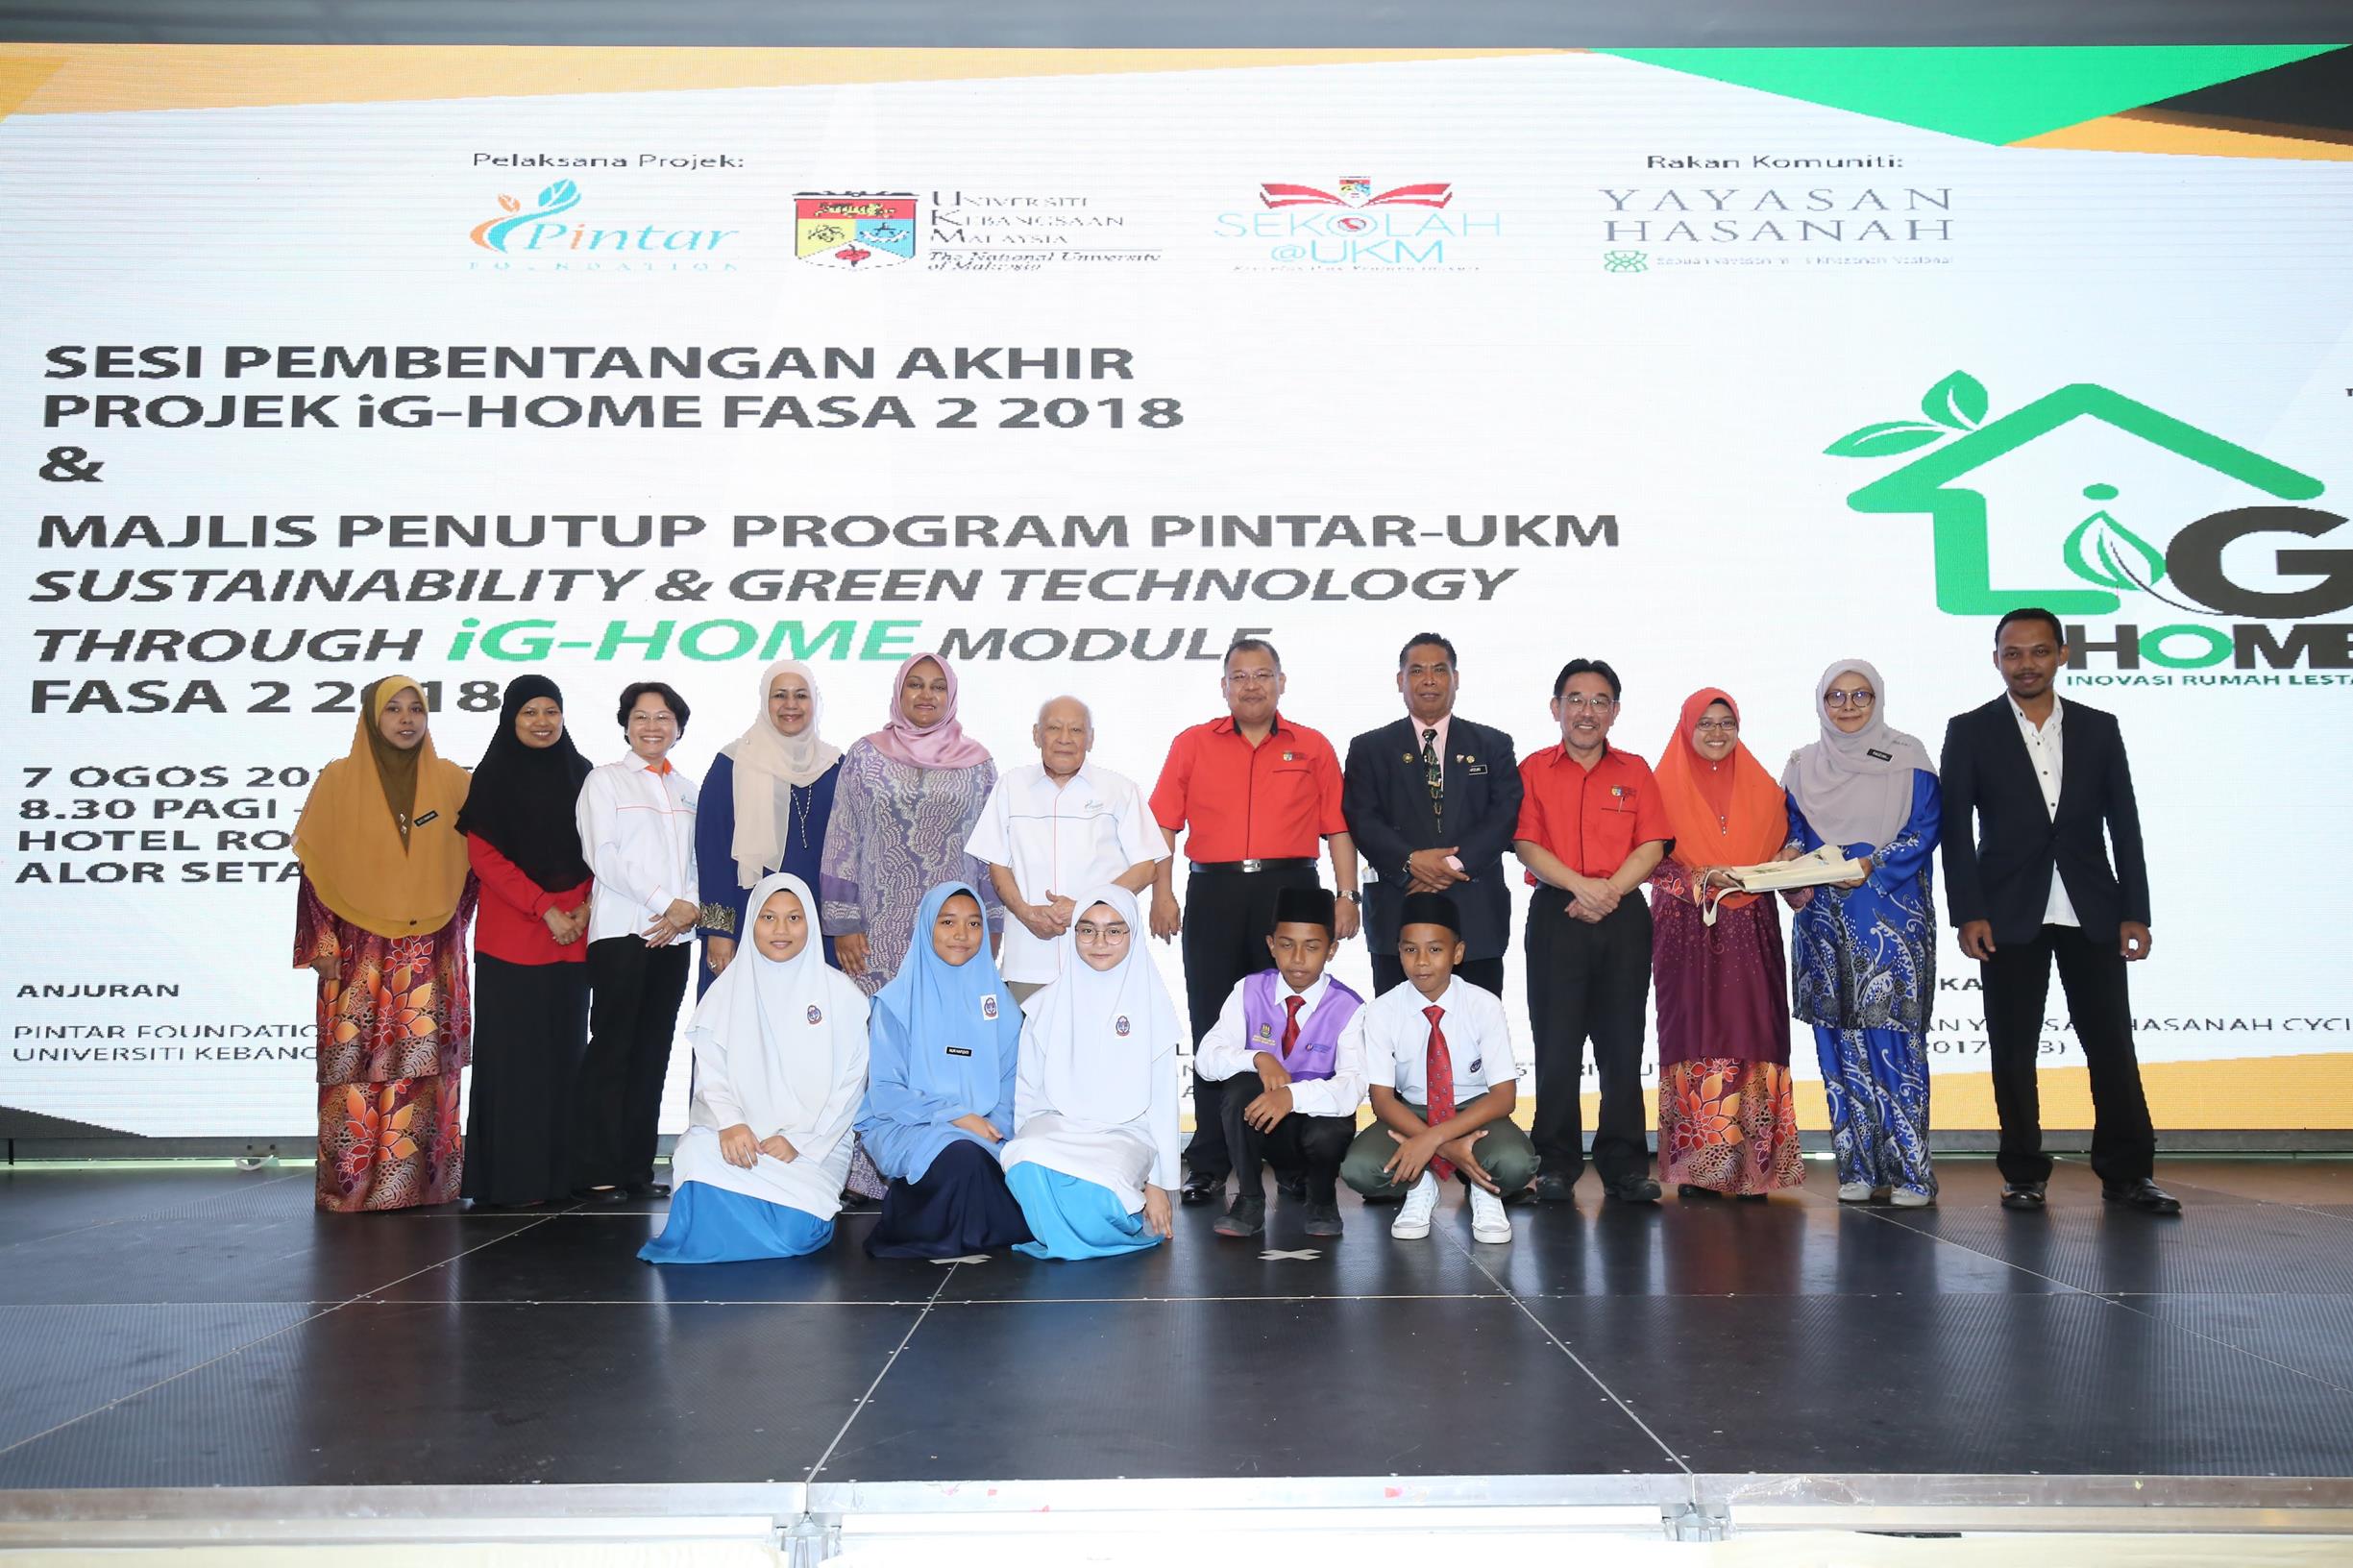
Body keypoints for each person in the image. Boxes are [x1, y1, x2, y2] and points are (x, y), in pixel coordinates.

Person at [1941, 609, 2179, 1214]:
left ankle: (2128, 1175)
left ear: (2062, 655)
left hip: (2092, 909)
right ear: (1996, 659)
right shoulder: (1969, 730)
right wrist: (1968, 911)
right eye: (2013, 653)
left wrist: (2136, 910)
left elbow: (2125, 824)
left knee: (2112, 1045)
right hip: (2006, 912)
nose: (2026, 664)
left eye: (2039, 651)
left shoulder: (2100, 727)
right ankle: (2023, 1172)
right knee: (2013, 1050)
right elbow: (1955, 832)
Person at [1149, 637, 1361, 1207]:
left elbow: (1338, 827)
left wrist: (1347, 895)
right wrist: (1162, 892)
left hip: (1290, 890)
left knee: (1295, 1021)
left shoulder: (1312, 746)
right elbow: (1163, 826)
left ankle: (1290, 1158)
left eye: (1262, 675)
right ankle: (1209, 1161)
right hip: (1214, 891)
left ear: (1281, 682)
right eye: (1239, 676)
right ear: (1224, 686)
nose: (1251, 685)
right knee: (1213, 1023)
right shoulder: (1192, 744)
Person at [292, 674, 476, 1213]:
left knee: (424, 1070)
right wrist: (321, 943)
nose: (406, 719)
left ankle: (423, 1186)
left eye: (415, 708)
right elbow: (315, 869)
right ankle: (351, 1188)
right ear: (372, 718)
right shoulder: (338, 780)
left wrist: (451, 924)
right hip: (358, 952)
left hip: (430, 952)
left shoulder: (453, 782)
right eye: (392, 709)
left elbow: (472, 869)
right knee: (354, 1068)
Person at [640, 873, 871, 1263]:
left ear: (810, 923)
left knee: (796, 1233)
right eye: (768, 918)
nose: (781, 930)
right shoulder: (725, 991)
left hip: (813, 1145)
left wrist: (801, 1142)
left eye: (794, 918)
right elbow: (710, 1075)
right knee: (695, 1150)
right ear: (752, 923)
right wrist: (731, 1123)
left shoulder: (842, 996)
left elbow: (851, 1087)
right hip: (742, 1140)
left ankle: (736, 1222)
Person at [1782, 659, 1943, 1207]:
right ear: (1821, 702)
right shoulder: (1802, 765)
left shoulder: (1907, 756)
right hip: (1823, 921)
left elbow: (1924, 829)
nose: (1848, 706)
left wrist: (1876, 863)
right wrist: (1790, 859)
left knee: (1894, 1040)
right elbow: (1794, 831)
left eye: (1860, 695)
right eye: (1836, 696)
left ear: (1877, 700)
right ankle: (1857, 1168)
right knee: (1836, 1043)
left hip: (1889, 918)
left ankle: (1911, 1174)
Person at [1511, 658, 1673, 1204]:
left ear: (1615, 711)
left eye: (1599, 701)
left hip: (1622, 914)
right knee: (1556, 1046)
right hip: (1556, 911)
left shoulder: (1636, 770)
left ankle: (1624, 1165)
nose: (1587, 711)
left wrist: (1608, 893)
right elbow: (1525, 843)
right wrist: (1580, 887)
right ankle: (1556, 1162)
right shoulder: (1533, 769)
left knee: (1622, 1045)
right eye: (1575, 700)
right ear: (1555, 708)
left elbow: (1652, 844)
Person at [1648, 688, 1803, 1201]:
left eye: (1726, 723)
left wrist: (1787, 865)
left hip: (1751, 927)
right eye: (1705, 723)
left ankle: (1753, 1169)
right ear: (1686, 728)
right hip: (1687, 927)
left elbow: (1787, 850)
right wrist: (1701, 879)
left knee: (1754, 1031)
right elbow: (1646, 858)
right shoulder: (1658, 788)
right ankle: (1700, 1169)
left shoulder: (1765, 790)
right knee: (1693, 1032)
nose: (1717, 733)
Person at [455, 675, 594, 1210]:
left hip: (573, 938)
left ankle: (562, 1177)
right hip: (512, 941)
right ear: (510, 719)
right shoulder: (492, 778)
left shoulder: (584, 774)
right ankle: (510, 1181)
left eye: (550, 711)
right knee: (513, 1063)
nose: (542, 721)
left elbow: (602, 849)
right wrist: (545, 908)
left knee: (565, 1059)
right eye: (530, 712)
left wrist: (582, 908)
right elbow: (485, 858)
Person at [1339, 892, 1534, 1243]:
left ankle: (1484, 1190)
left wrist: (1433, 1140)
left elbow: (1504, 1097)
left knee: (1515, 1163)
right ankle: (1420, 1185)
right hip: (1412, 1111)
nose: (1422, 961)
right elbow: (1382, 1100)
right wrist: (1443, 1146)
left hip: (1474, 1113)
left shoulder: (1483, 1005)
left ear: (1457, 953)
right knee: (1360, 1169)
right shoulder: (1382, 1010)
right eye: (1410, 950)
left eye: (1435, 949)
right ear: (1398, 952)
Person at [1000, 887, 1183, 1260]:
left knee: (1099, 1194)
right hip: (1057, 1124)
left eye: (1114, 931)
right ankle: (1072, 1234)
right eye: (1087, 930)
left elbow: (1164, 1105)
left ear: (1132, 934)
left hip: (1126, 1132)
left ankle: (1078, 1232)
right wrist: (1026, 1136)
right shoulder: (1045, 1006)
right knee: (1025, 1158)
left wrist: (1159, 1185)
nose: (1099, 942)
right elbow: (1027, 1092)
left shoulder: (1154, 1009)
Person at [857, 882, 1034, 1257]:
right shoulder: (895, 1003)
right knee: (962, 1159)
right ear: (927, 927)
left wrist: (994, 1125)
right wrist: (956, 1117)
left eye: (974, 924)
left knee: (1012, 1165)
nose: (961, 935)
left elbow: (1012, 1083)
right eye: (948, 922)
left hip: (987, 1129)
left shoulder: (1001, 1005)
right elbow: (886, 1092)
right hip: (909, 1125)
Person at [1342, 633, 1524, 998]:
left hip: (1475, 917)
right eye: (1417, 671)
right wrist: (1410, 862)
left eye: (1439, 670)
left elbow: (1504, 814)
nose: (1429, 680)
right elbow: (1362, 818)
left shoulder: (1493, 745)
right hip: (1398, 911)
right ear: (1400, 680)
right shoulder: (1369, 748)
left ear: (1455, 679)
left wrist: (1450, 866)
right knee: (1397, 1028)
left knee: (1476, 1027)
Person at [573, 681, 699, 1201]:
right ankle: (596, 1169)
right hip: (623, 933)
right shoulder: (604, 781)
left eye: (663, 717)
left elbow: (699, 861)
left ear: (678, 727)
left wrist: (688, 909)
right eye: (641, 717)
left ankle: (636, 1169)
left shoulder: (688, 789)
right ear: (626, 725)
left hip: (675, 938)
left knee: (653, 1052)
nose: (652, 726)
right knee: (613, 1049)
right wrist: (664, 903)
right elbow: (603, 856)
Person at [821, 652, 1003, 994]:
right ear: (899, 692)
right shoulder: (866, 755)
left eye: (938, 687)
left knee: (947, 1017)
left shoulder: (978, 764)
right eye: (915, 685)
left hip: (954, 930)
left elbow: (991, 853)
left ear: (951, 696)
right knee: (877, 1020)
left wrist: (992, 924)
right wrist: (843, 923)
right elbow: (843, 838)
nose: (926, 695)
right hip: (876, 931)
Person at [1191, 886, 1366, 1237]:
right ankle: (1250, 1200)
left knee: (1330, 1128)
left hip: (1314, 1134)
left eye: (1312, 947)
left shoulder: (1349, 1006)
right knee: (1239, 1089)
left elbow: (1353, 1087)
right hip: (1265, 1131)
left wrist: (1291, 1096)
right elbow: (1206, 1060)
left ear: (1331, 950)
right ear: (1271, 945)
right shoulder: (1248, 990)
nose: (1298, 958)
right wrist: (1258, 1057)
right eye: (1286, 945)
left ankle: (1322, 1199)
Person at [968, 696, 1164, 1007]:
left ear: (1091, 738)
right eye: (1054, 728)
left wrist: (1086, 907)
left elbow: (1146, 867)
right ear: (1036, 735)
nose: (1064, 739)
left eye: (1076, 730)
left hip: (1103, 955)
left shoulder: (1120, 790)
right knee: (1028, 1037)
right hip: (1028, 957)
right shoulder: (1010, 787)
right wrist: (1026, 912)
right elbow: (997, 864)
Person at [695, 659, 844, 995]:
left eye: (801, 695)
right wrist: (719, 932)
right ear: (765, 701)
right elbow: (712, 851)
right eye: (780, 695)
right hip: (747, 915)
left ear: (815, 702)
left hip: (816, 922)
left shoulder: (835, 766)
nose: (791, 704)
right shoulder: (732, 763)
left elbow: (849, 852)